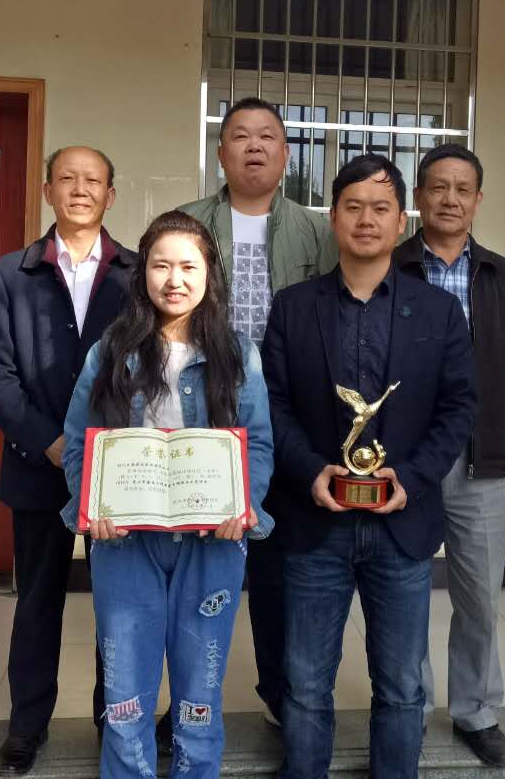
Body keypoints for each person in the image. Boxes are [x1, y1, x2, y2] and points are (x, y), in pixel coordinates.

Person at [261, 154, 476, 779]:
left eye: (381, 208)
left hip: (401, 526)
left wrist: (410, 478)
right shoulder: (293, 307)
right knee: (304, 682)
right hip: (314, 523)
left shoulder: (438, 311)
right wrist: (311, 471)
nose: (366, 219)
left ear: (401, 220)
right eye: (353, 206)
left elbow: (459, 407)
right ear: (333, 218)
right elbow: (272, 404)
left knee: (403, 684)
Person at [59, 210, 275, 779]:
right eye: (160, 266)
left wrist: (243, 505)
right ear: (143, 274)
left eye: (188, 266)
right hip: (125, 542)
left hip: (212, 543)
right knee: (124, 692)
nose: (174, 280)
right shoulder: (110, 351)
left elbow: (257, 443)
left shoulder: (238, 353)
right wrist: (92, 506)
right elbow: (80, 440)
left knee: (200, 690)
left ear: (209, 274)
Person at [177, 96, 336, 728]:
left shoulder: (317, 231)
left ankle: (280, 697)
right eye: (240, 135)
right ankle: (188, 704)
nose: (253, 146)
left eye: (267, 136)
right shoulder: (187, 222)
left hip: (287, 417)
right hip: (201, 410)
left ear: (286, 154)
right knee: (194, 567)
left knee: (278, 572)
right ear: (220, 153)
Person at [0, 146, 135, 776]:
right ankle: (27, 725)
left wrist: (114, 444)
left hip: (118, 468)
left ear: (110, 195)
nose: (80, 189)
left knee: (118, 603)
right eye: (67, 178)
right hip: (38, 463)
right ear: (47, 191)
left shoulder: (136, 273)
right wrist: (49, 441)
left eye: (93, 180)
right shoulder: (10, 274)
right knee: (38, 599)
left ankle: (114, 718)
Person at [397, 144, 505, 767]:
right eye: (438, 187)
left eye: (463, 189)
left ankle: (476, 711)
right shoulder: (392, 267)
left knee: (480, 596)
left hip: (479, 459)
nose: (450, 199)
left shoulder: (503, 277)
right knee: (401, 592)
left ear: (478, 200)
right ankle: (404, 708)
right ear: (418, 197)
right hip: (403, 459)